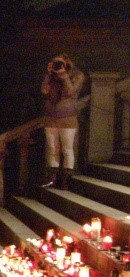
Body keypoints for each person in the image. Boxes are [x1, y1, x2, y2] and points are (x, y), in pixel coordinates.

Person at [40, 53, 85, 189]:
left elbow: (71, 92)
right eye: (54, 63)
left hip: (67, 118)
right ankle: (53, 178)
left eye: (59, 63)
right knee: (52, 148)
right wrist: (48, 75)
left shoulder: (77, 75)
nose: (57, 65)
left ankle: (66, 180)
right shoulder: (51, 76)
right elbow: (44, 91)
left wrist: (64, 75)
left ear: (67, 63)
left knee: (67, 148)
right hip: (51, 117)